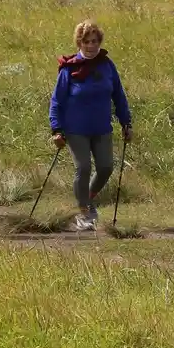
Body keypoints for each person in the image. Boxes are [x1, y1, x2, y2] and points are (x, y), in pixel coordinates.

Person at [49, 20, 133, 230]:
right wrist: (57, 129)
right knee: (83, 167)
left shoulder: (107, 66)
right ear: (79, 42)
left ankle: (87, 198)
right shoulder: (68, 70)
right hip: (76, 129)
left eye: (95, 41)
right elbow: (57, 101)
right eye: (86, 41)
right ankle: (84, 212)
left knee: (105, 167)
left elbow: (119, 96)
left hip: (102, 127)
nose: (91, 45)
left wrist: (126, 122)